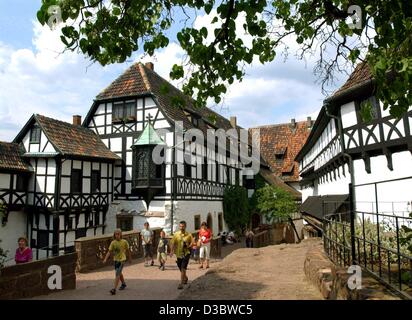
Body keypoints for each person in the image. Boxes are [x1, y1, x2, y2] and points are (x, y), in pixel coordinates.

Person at [103, 229, 132, 295]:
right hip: (116, 260)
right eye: (116, 234)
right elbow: (109, 252)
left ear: (121, 234)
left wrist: (130, 258)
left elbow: (128, 251)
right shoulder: (113, 243)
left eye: (118, 234)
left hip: (122, 260)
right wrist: (105, 259)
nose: (117, 235)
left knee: (117, 274)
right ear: (114, 235)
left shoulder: (124, 242)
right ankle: (123, 284)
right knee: (119, 273)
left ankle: (114, 289)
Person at [169, 221, 194, 290]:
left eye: (183, 226)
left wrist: (189, 245)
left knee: (183, 267)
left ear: (185, 226)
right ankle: (185, 278)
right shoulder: (176, 234)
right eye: (180, 226)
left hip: (186, 253)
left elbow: (192, 242)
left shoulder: (189, 235)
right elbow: (173, 243)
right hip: (178, 254)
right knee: (180, 268)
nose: (181, 228)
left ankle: (181, 283)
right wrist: (171, 251)